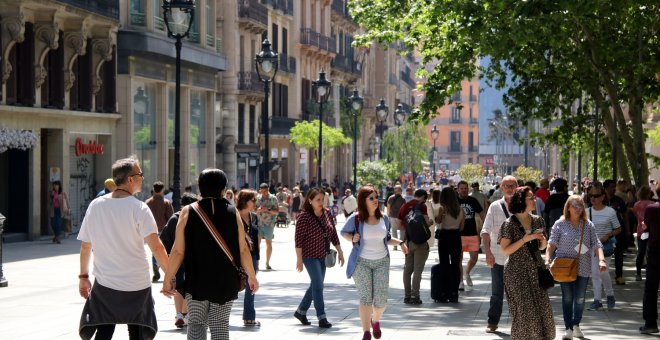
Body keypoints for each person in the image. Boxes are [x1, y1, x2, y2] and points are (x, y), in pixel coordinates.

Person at [77, 156, 170, 339]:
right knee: (137, 332)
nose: (142, 178)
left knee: (104, 330)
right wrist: (170, 275)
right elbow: (156, 247)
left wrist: (83, 277)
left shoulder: (96, 206)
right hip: (137, 284)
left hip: (105, 283)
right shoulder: (139, 209)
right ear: (129, 179)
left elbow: (86, 246)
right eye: (140, 174)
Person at [161, 168, 258, 340]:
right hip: (225, 281)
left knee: (196, 324)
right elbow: (243, 249)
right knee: (220, 325)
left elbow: (177, 251)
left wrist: (168, 278)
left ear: (200, 187)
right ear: (223, 188)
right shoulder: (232, 212)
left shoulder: (188, 211)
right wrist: (252, 276)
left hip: (197, 280)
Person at [341, 186, 408, 340]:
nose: (375, 200)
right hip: (361, 262)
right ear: (363, 200)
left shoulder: (384, 218)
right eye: (371, 198)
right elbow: (344, 232)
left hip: (381, 262)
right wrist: (352, 238)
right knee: (365, 297)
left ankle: (375, 320)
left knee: (381, 300)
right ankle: (366, 332)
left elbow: (387, 238)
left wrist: (401, 243)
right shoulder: (356, 218)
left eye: (376, 197)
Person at [546, 195, 606, 340]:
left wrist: (602, 260)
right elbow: (552, 243)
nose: (578, 209)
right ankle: (568, 328)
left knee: (580, 298)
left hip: (583, 267)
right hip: (565, 268)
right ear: (568, 207)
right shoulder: (560, 224)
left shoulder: (588, 224)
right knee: (567, 298)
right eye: (575, 206)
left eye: (580, 206)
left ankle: (576, 324)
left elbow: (596, 244)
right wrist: (547, 258)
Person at [499, 186, 555, 340]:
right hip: (516, 273)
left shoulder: (538, 220)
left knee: (543, 311)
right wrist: (524, 239)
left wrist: (542, 241)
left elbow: (542, 247)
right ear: (521, 201)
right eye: (530, 197)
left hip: (536, 271)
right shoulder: (509, 224)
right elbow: (505, 250)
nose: (534, 200)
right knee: (524, 313)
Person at [293, 187, 345, 329]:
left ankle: (301, 311)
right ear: (310, 200)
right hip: (309, 256)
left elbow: (333, 234)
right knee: (318, 285)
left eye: (323, 199)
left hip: (323, 255)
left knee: (316, 285)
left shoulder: (327, 213)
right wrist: (299, 259)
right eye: (318, 200)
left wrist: (340, 251)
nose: (321, 202)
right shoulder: (304, 217)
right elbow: (298, 241)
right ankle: (321, 317)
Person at [481, 175, 517, 333]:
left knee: (517, 293)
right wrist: (487, 252)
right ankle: (492, 322)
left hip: (518, 258)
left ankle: (519, 324)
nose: (510, 188)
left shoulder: (523, 206)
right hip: (498, 257)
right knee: (497, 293)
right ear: (501, 188)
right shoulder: (494, 206)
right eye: (506, 186)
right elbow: (485, 231)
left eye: (512, 185)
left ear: (517, 187)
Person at [160, 192, 199, 328]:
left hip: (175, 258)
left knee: (178, 286)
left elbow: (164, 238)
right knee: (189, 287)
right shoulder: (196, 218)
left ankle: (178, 315)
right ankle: (187, 314)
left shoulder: (174, 218)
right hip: (192, 259)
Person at [585, 182, 621, 311]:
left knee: (603, 271)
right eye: (590, 196)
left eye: (596, 195)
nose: (593, 198)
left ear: (602, 197)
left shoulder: (610, 211)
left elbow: (618, 228)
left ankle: (610, 294)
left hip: (605, 247)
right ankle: (597, 300)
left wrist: (608, 235)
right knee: (594, 273)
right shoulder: (586, 211)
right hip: (591, 247)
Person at [398, 189, 432, 304]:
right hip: (421, 243)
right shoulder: (422, 206)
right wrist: (431, 222)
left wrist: (409, 228)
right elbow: (427, 223)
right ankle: (415, 296)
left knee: (407, 270)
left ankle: (407, 296)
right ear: (423, 197)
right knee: (418, 270)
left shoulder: (404, 206)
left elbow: (399, 225)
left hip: (409, 242)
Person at [236, 189, 261, 327]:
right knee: (233, 285)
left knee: (252, 285)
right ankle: (218, 314)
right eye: (253, 200)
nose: (255, 203)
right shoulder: (234, 215)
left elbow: (256, 240)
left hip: (251, 255)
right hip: (237, 256)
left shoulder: (253, 217)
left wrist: (257, 259)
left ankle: (249, 316)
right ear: (245, 201)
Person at [434, 187, 465, 303]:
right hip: (456, 236)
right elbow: (462, 227)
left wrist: (441, 216)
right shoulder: (461, 210)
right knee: (456, 264)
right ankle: (454, 293)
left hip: (444, 236)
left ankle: (443, 292)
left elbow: (437, 221)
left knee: (444, 264)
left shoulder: (442, 208)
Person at [457, 181, 485, 289]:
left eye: (465, 188)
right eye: (461, 188)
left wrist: (486, 226)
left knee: (474, 258)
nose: (464, 190)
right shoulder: (455, 201)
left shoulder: (473, 200)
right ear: (458, 189)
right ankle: (460, 282)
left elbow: (482, 214)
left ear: (468, 189)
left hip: (472, 233)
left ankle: (467, 272)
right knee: (459, 259)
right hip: (459, 234)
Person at [146, 181, 174, 282]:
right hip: (163, 229)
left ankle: (156, 270)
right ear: (162, 190)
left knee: (154, 250)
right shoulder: (166, 202)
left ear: (153, 189)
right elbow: (170, 217)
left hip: (151, 230)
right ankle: (168, 270)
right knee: (165, 250)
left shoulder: (148, 202)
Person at [604, 179, 629, 285]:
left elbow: (625, 215)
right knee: (603, 254)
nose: (614, 189)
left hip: (617, 231)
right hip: (604, 231)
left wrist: (627, 230)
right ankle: (602, 275)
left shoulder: (619, 200)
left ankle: (619, 276)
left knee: (619, 254)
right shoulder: (600, 200)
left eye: (614, 187)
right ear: (605, 188)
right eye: (611, 187)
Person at [640, 203, 660, 334]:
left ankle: (651, 323)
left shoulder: (652, 209)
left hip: (656, 251)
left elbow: (645, 228)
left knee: (651, 288)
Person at [633, 186, 657, 281]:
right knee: (650, 252)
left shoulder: (636, 204)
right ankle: (649, 272)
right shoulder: (652, 204)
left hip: (641, 231)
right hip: (651, 231)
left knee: (641, 252)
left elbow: (637, 217)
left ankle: (638, 272)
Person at [256, 182, 279, 270]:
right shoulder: (258, 198)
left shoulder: (273, 198)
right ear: (260, 190)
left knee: (268, 243)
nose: (264, 193)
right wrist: (258, 210)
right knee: (257, 244)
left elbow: (277, 211)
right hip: (259, 223)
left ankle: (267, 263)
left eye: (266, 191)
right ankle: (257, 263)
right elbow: (253, 209)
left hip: (269, 224)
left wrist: (268, 209)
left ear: (268, 190)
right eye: (262, 191)